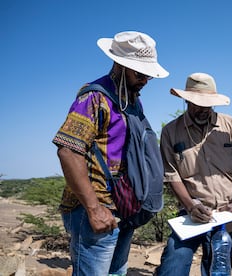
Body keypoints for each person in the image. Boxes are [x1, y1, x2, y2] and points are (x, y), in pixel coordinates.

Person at [52, 31, 168, 275]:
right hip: (96, 209)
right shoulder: (94, 97)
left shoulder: (131, 100)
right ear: (120, 64)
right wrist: (94, 209)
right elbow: (68, 152)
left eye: (148, 74)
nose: (145, 79)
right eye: (140, 73)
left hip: (123, 206)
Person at [155, 72, 232, 276]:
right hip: (191, 215)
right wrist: (191, 206)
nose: (202, 109)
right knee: (173, 266)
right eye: (197, 103)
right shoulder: (171, 132)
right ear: (186, 100)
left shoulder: (230, 125)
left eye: (207, 104)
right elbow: (172, 175)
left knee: (217, 268)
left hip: (226, 215)